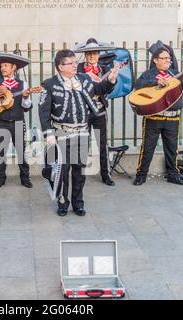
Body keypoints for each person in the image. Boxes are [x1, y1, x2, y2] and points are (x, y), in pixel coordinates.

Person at [38, 49, 119, 217]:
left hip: (82, 133)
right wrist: (49, 134)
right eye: (71, 63)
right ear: (61, 66)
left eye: (75, 62)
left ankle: (78, 203)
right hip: (61, 133)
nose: (76, 65)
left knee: (79, 170)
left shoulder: (83, 79)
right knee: (62, 171)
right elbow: (44, 112)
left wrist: (111, 78)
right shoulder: (49, 85)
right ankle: (62, 202)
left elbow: (99, 89)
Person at [133, 47, 183, 186]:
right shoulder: (149, 74)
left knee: (172, 148)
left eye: (169, 58)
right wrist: (155, 82)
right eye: (164, 58)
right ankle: (141, 175)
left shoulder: (175, 73)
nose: (167, 61)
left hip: (173, 118)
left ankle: (173, 175)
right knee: (148, 148)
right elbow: (137, 85)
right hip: (154, 117)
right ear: (155, 60)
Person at [0, 52, 34, 189]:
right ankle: (0, 178)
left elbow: (27, 106)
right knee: (1, 151)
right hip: (1, 121)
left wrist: (26, 97)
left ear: (14, 67)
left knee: (21, 151)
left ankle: (25, 178)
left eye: (6, 65)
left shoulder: (23, 84)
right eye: (2, 66)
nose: (3, 68)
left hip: (18, 121)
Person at [75, 38, 116, 186]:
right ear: (85, 55)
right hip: (83, 111)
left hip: (99, 111)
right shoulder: (77, 68)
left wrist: (111, 80)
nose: (92, 56)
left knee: (103, 144)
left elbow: (109, 89)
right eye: (89, 53)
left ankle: (106, 175)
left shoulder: (105, 69)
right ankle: (80, 175)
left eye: (95, 53)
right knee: (81, 144)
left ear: (99, 54)